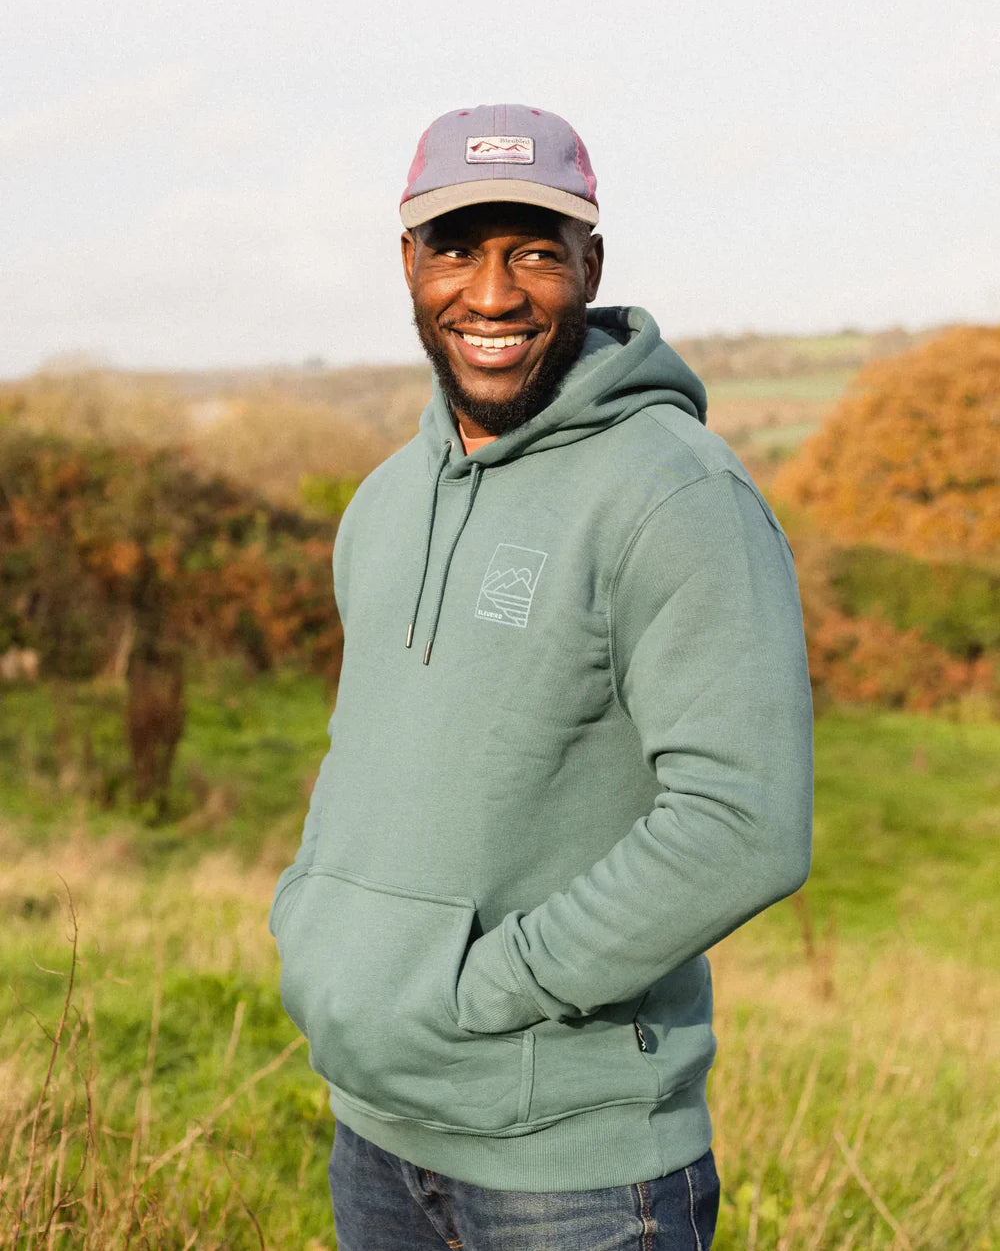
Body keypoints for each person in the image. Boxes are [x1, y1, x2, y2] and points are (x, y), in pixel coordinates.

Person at [270, 104, 813, 1250]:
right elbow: (363, 754)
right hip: (375, 1136)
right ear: (408, 263)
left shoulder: (677, 495)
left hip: (576, 1176)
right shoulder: (384, 501)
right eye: (457, 248)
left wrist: (486, 990)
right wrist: (317, 925)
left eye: (533, 252)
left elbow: (741, 826)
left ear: (590, 267)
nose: (493, 293)